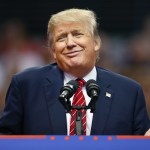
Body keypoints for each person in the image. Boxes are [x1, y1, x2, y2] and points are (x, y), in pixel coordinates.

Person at [0, 8, 149, 135]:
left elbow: (141, 142)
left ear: (96, 43)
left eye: (78, 34)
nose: (70, 43)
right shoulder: (26, 86)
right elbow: (6, 139)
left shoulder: (129, 91)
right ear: (53, 51)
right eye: (61, 38)